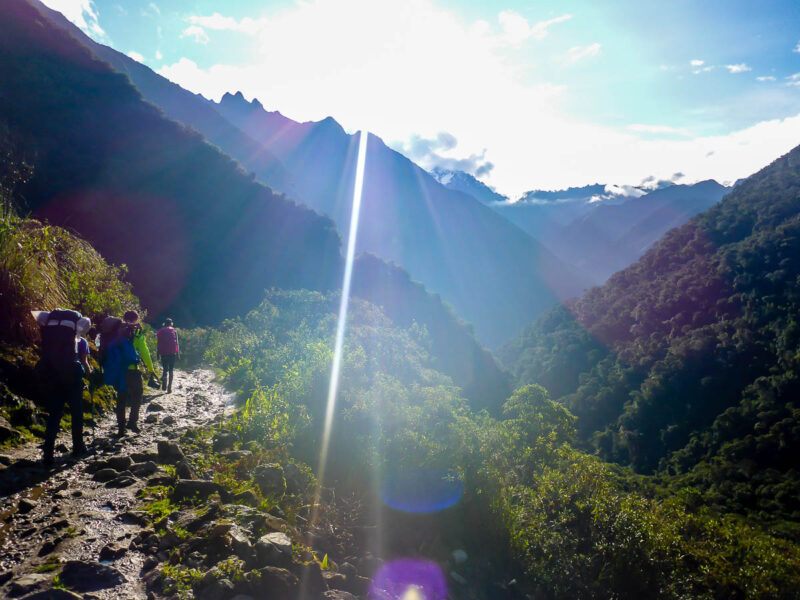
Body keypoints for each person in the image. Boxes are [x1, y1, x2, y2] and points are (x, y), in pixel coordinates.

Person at [34, 309, 91, 466]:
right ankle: (78, 447)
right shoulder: (77, 335)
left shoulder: (49, 330)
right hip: (72, 374)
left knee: (54, 413)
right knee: (76, 412)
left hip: (51, 373)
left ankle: (48, 453)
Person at [109, 310, 157, 435]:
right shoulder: (136, 332)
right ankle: (132, 422)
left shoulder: (115, 331)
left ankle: (121, 428)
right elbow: (144, 352)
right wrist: (150, 369)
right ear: (135, 319)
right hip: (132, 370)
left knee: (121, 398)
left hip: (119, 371)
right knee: (137, 395)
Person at [156, 318, 179, 393]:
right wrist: (178, 354)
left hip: (163, 352)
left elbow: (158, 343)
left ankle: (164, 383)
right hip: (172, 352)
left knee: (165, 369)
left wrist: (158, 353)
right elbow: (177, 343)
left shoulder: (161, 331)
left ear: (164, 323)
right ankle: (169, 387)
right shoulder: (174, 331)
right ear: (171, 323)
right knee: (171, 370)